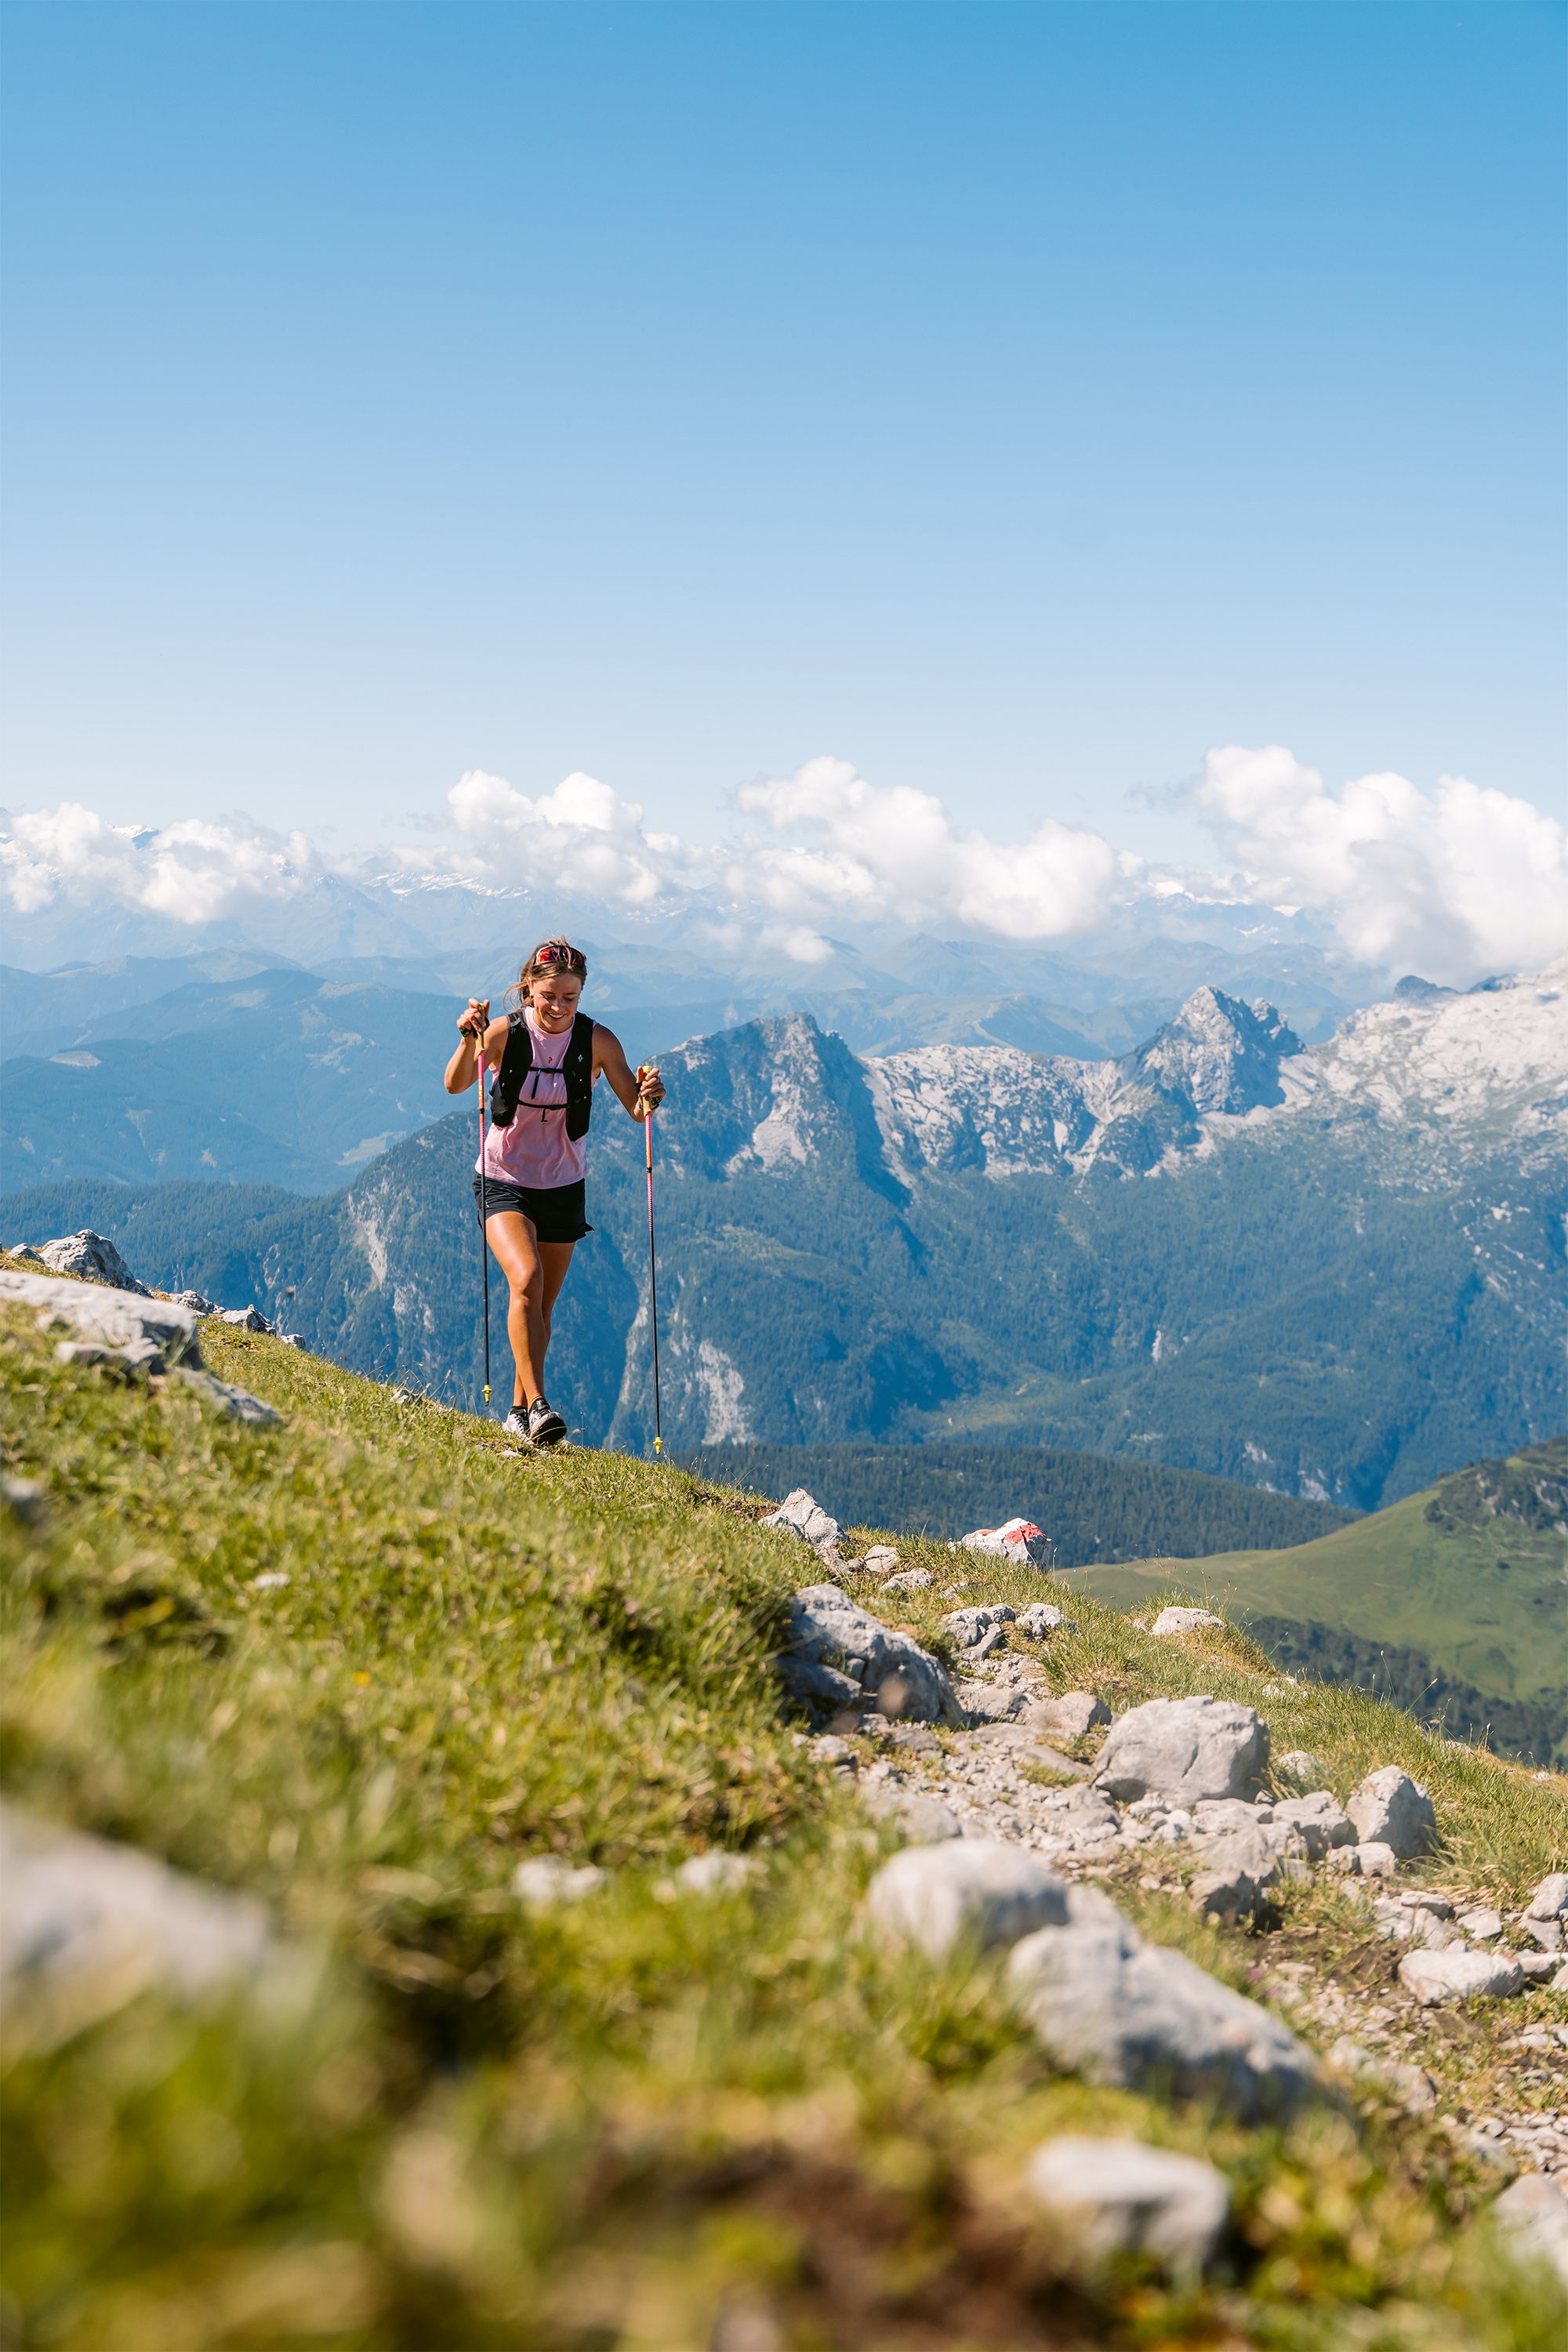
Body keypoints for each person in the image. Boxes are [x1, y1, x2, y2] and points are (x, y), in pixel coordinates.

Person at [444, 936, 662, 1446]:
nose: (559, 1007)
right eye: (549, 997)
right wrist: (467, 1039)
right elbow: (455, 1084)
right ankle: (540, 1407)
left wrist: (652, 1095)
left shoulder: (598, 1041)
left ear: (581, 994)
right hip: (503, 1182)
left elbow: (637, 1109)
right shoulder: (504, 1032)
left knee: (541, 1307)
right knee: (526, 1279)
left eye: (570, 997)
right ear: (528, 991)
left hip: (564, 1186)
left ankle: (518, 1414)